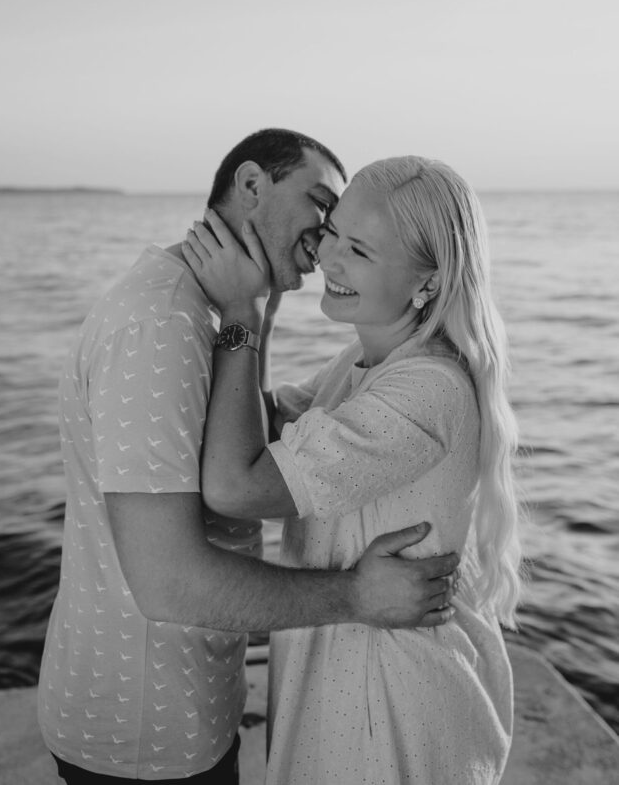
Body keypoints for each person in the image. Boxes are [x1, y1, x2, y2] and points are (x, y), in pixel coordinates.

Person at [37, 132, 461, 784]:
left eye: (349, 234)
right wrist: (357, 594)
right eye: (323, 208)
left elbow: (253, 450)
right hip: (144, 732)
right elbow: (169, 581)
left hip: (187, 711)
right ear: (253, 185)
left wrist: (254, 310)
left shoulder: (199, 313)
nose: (326, 241)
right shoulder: (162, 325)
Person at [184, 154, 523, 785]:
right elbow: (258, 428)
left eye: (359, 251)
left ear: (428, 281)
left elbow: (236, 485)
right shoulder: (361, 364)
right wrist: (268, 302)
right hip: (347, 677)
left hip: (390, 703)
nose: (328, 258)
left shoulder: (427, 389)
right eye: (333, 231)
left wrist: (240, 315)